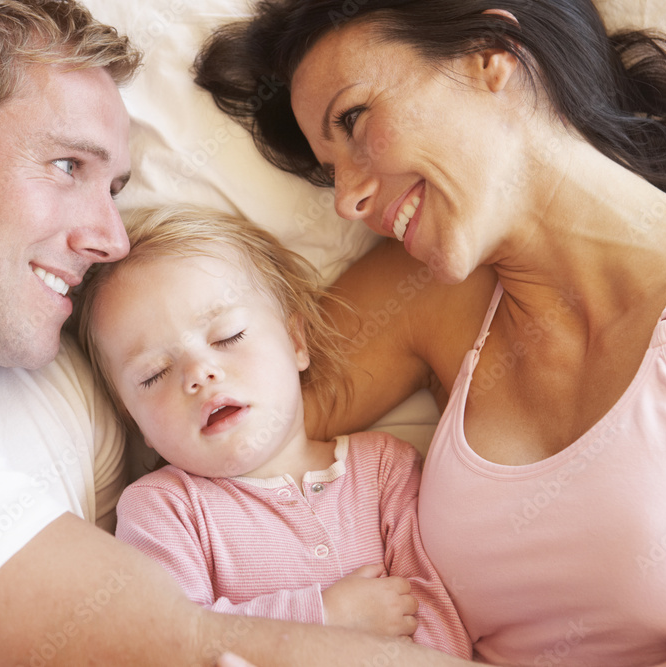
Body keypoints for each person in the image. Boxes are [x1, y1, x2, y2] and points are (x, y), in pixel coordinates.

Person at [0, 1, 474, 665]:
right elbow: (168, 647)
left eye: (113, 190)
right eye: (66, 167)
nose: (112, 240)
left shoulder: (54, 375)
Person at [193, 0, 666, 664]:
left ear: (491, 53)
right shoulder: (426, 296)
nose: (346, 199)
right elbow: (203, 427)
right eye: (329, 169)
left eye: (354, 120)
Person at [75, 204, 472, 658]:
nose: (199, 374)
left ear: (296, 343)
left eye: (228, 337)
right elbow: (168, 642)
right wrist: (322, 617)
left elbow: (441, 621)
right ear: (136, 425)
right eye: (155, 374)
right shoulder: (163, 510)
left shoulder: (384, 470)